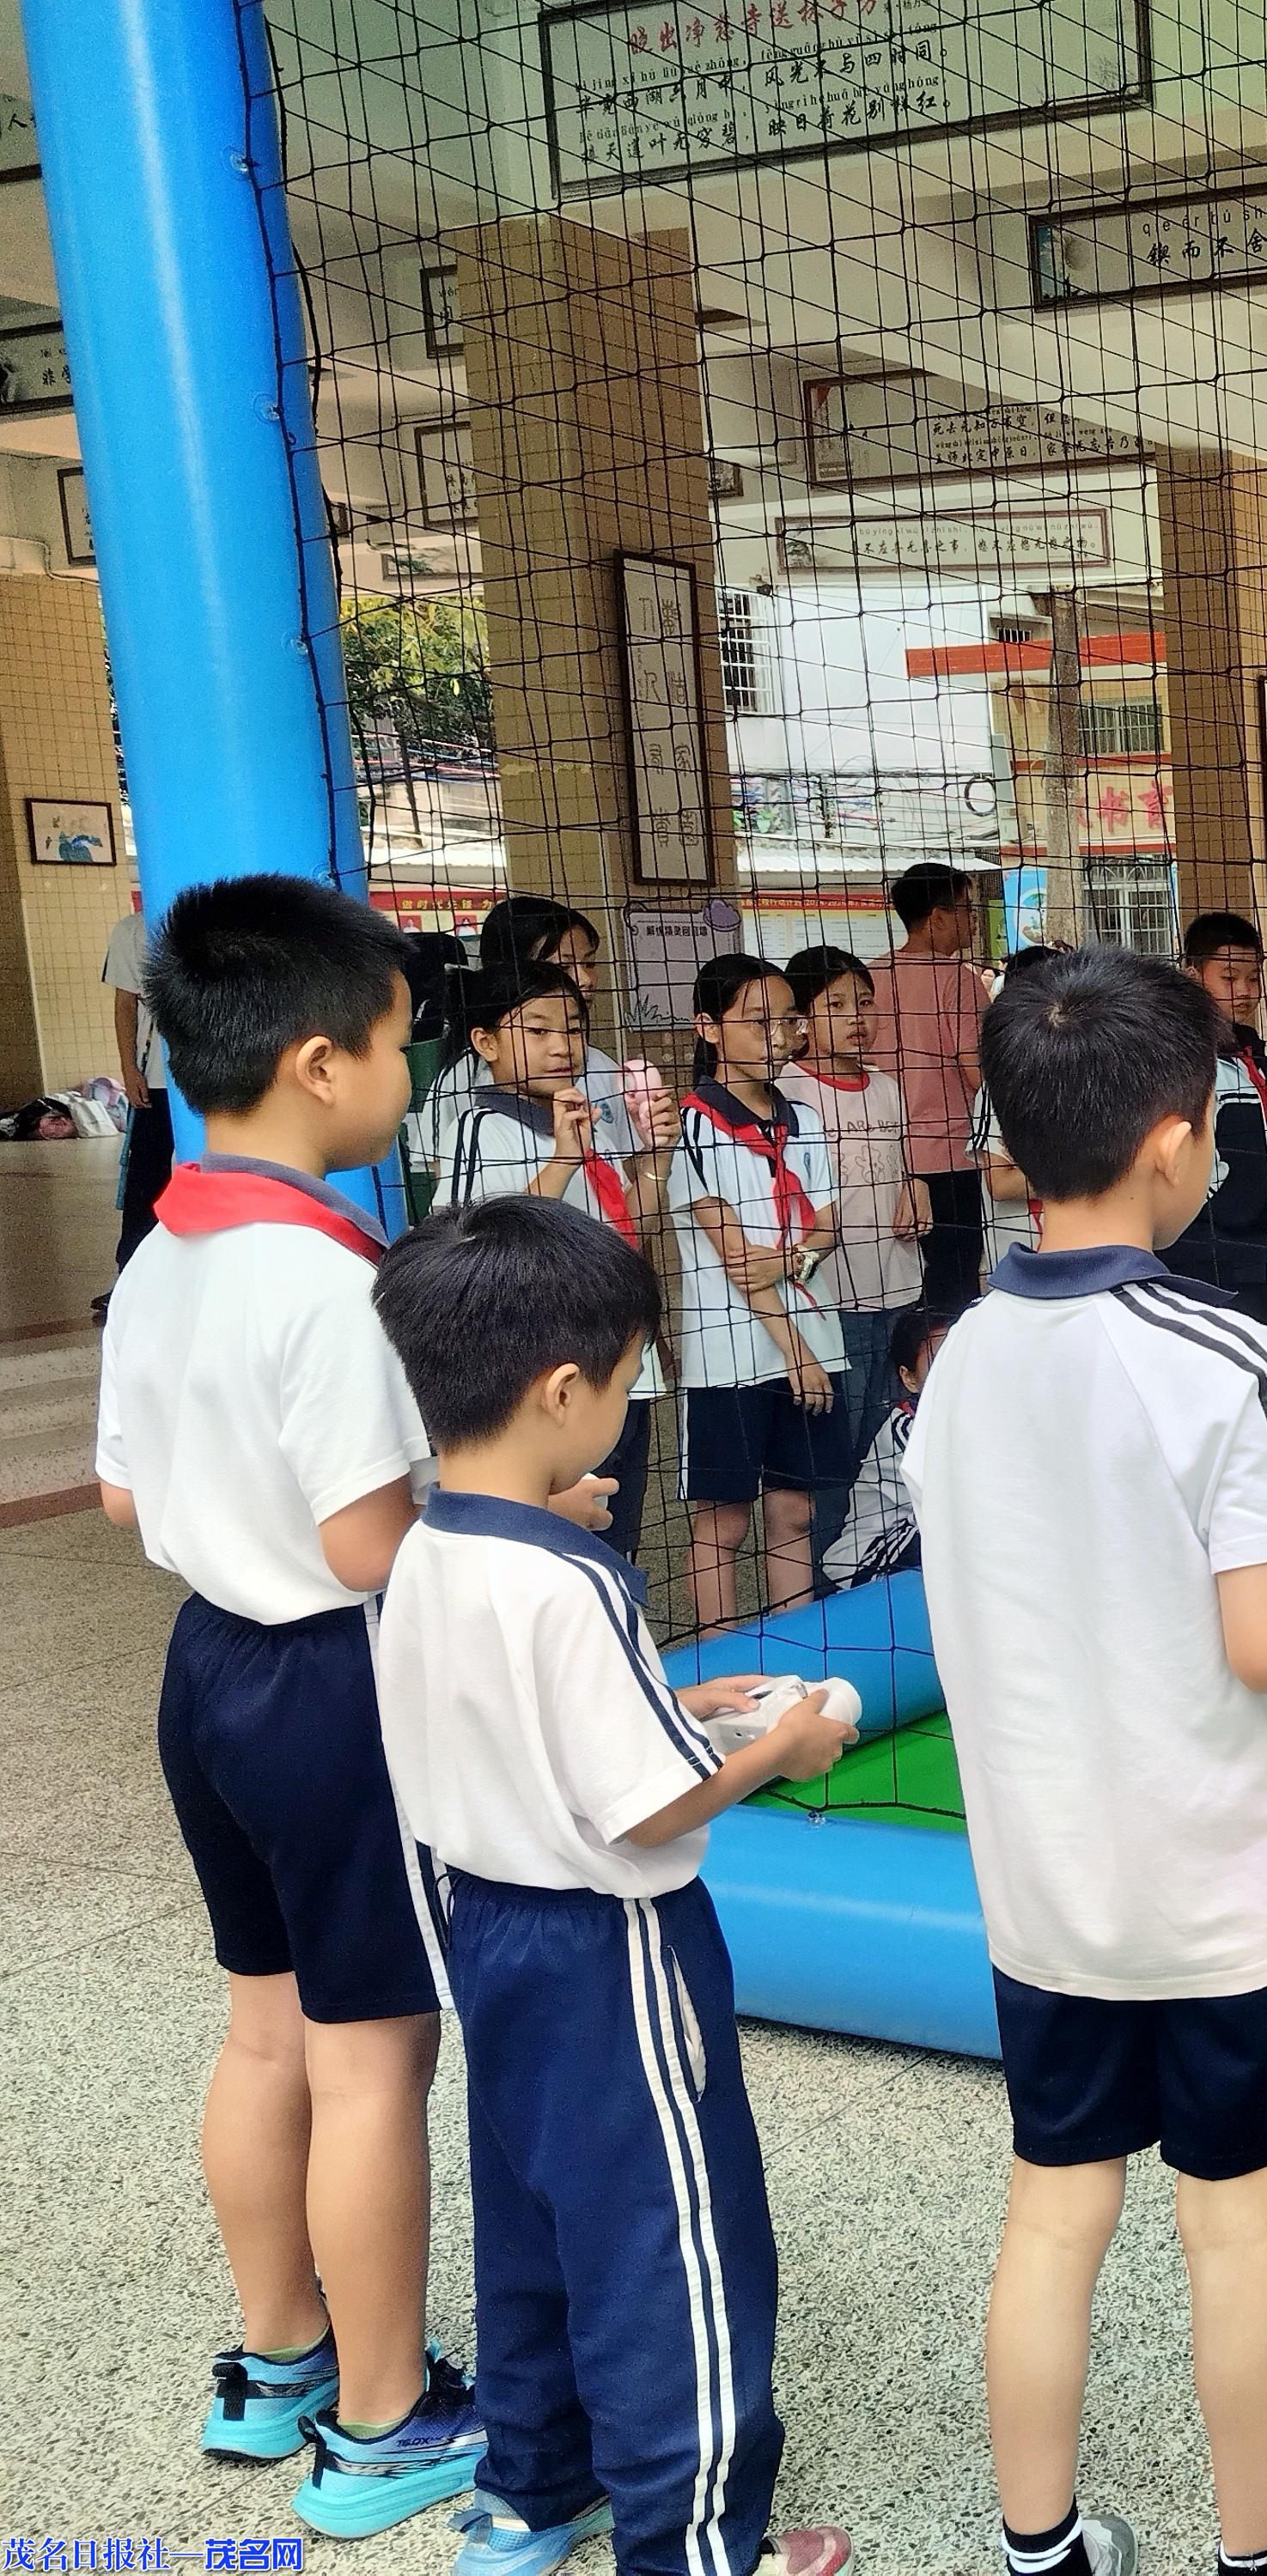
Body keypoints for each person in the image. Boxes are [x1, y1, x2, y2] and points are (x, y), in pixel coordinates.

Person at [905, 945, 1267, 2576]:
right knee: (1234, 2223)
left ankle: (1039, 2549)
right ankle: (1259, 2562)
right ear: (1171, 1145)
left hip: (1050, 1898)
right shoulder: (1226, 1357)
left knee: (1055, 2211)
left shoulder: (959, 1364)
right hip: (1223, 1903)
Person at [367, 1196, 862, 2576]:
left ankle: (534, 2491)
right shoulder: (573, 1582)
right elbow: (644, 1807)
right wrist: (781, 1743)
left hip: (490, 1932)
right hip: (612, 1950)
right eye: (631, 1378)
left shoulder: (426, 1549)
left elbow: (512, 1723)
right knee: (667, 2232)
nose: (631, 1411)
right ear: (563, 1391)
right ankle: (695, 2540)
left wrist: (674, 1695)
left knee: (532, 2211)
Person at [93, 876, 481, 2532]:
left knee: (266, 2032)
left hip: (208, 1673)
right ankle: (388, 2425)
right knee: (373, 2057)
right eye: (402, 1044)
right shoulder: (329, 1284)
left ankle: (278, 2363)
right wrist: (505, 1522)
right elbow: (362, 1539)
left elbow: (121, 1503)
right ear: (324, 1063)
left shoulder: (167, 1249)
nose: (410, 1074)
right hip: (333, 1687)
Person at [435, 963, 680, 1558]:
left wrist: (656, 1155)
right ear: (485, 1042)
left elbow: (630, 1234)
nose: (560, 1047)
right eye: (537, 1031)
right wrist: (565, 1161)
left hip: (618, 1371)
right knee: (548, 1546)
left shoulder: (582, 1118)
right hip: (544, 1380)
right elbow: (475, 1249)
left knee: (617, 1542)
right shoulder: (478, 1126)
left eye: (571, 1030)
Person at [674, 957, 846, 1632]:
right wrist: (796, 1346)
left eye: (787, 1019)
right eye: (758, 1021)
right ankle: (719, 1662)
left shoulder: (801, 1115)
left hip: (812, 1333)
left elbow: (828, 1224)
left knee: (793, 1509)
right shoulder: (694, 1125)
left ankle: (796, 1651)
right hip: (735, 1350)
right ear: (708, 1028)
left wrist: (790, 1259)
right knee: (724, 1519)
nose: (778, 1034)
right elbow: (736, 1261)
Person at [778, 946, 924, 1573]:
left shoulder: (888, 1088)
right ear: (801, 1020)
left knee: (891, 1442)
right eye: (835, 1005)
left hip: (898, 1286)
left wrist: (916, 1190)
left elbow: (904, 1168)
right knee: (837, 1450)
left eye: (864, 1003)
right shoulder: (788, 1090)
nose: (856, 1017)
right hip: (830, 1299)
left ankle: (884, 1565)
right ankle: (832, 1574)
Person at [1170, 914, 1267, 1365]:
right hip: (1210, 1264)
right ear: (1193, 975)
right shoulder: (1185, 1060)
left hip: (1262, 1261)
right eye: (1229, 977)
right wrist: (1266, 1214)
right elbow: (1193, 1169)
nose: (1245, 990)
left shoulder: (1251, 1053)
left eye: (1253, 978)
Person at [416, 898, 636, 1171]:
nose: (584, 980)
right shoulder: (462, 1078)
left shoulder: (603, 1067)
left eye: (589, 963)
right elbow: (451, 1190)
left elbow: (628, 1175)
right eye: (563, 967)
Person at [885, 861, 991, 1309]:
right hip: (951, 1159)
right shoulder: (959, 981)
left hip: (886, 1160)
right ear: (938, 918)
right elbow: (977, 1072)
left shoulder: (870, 978)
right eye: (966, 909)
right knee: (953, 1289)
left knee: (905, 1293)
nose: (973, 919)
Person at [825, 1303, 959, 1591]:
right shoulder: (906, 1430)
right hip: (868, 1560)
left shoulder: (970, 1416)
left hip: (920, 1539)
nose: (952, 1370)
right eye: (937, 1362)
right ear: (909, 1378)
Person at [101, 890, 174, 1291]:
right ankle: (131, 1276)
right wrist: (129, 1068)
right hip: (158, 1079)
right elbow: (125, 1004)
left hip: (212, 1077)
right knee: (147, 1179)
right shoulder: (132, 931)